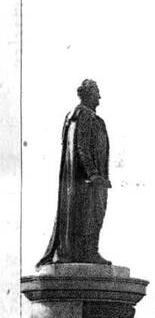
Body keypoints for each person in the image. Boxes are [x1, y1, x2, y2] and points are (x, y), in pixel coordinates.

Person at [38, 79, 112, 265]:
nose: (99, 98)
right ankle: (88, 251)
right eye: (96, 94)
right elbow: (82, 147)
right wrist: (94, 174)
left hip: (83, 178)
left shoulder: (74, 116)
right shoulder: (85, 115)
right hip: (89, 180)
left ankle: (84, 250)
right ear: (87, 95)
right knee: (92, 213)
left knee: (87, 213)